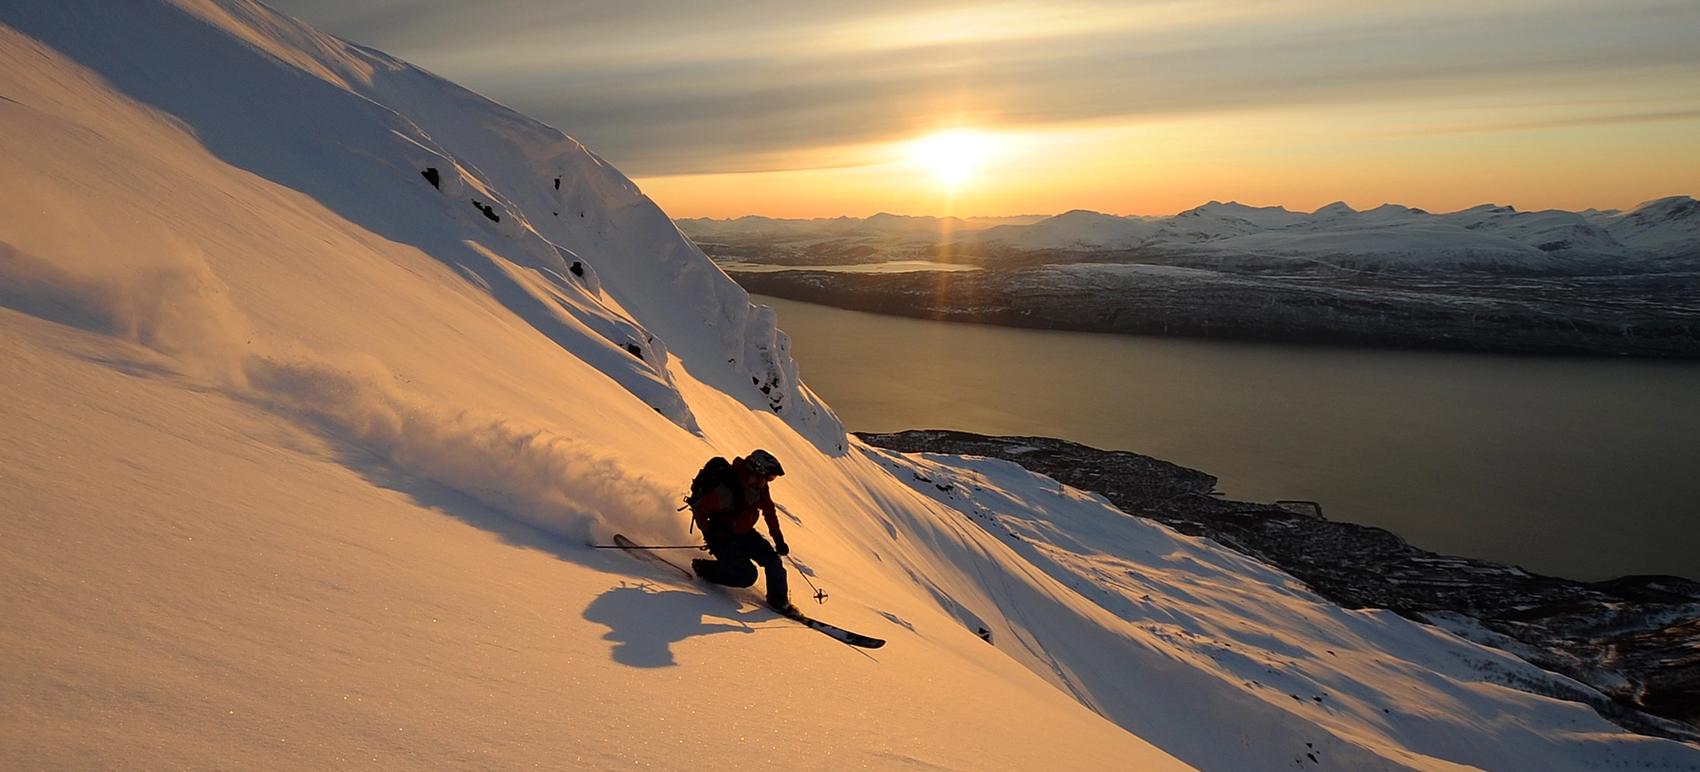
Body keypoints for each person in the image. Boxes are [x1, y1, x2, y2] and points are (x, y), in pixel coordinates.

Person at [689, 449, 793, 613]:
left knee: (773, 560)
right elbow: (699, 509)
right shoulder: (727, 490)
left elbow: (769, 513)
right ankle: (704, 569)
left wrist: (779, 541)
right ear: (757, 471)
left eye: (771, 479)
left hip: (745, 533)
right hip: (723, 537)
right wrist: (710, 534)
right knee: (747, 576)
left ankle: (778, 600)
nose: (768, 481)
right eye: (769, 477)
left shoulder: (760, 488)